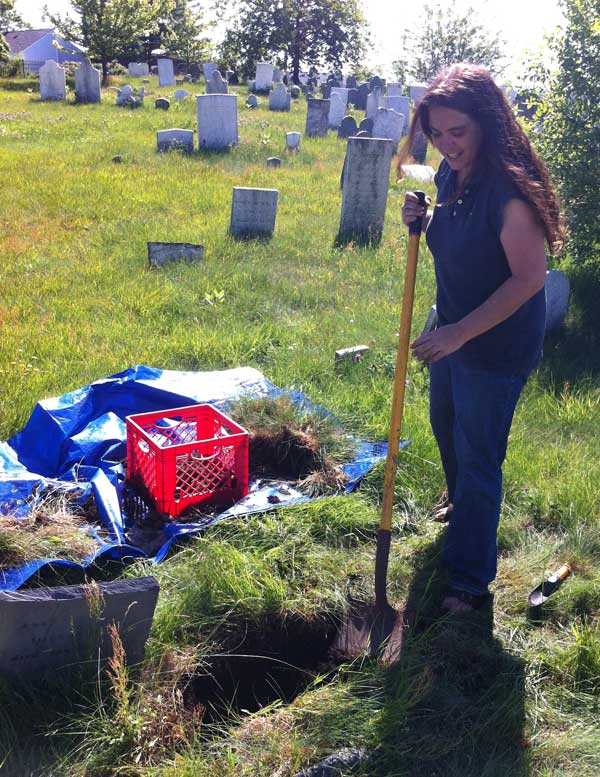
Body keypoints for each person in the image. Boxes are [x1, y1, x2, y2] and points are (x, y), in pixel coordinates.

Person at [398, 64, 563, 613]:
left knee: (479, 455)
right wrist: (419, 222)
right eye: (437, 134)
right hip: (452, 325)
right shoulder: (451, 177)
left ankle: (469, 582)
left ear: (487, 122)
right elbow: (455, 237)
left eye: (458, 132)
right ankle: (462, 503)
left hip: (493, 343)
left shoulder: (511, 193)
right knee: (444, 422)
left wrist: (459, 334)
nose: (447, 145)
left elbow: (528, 279)